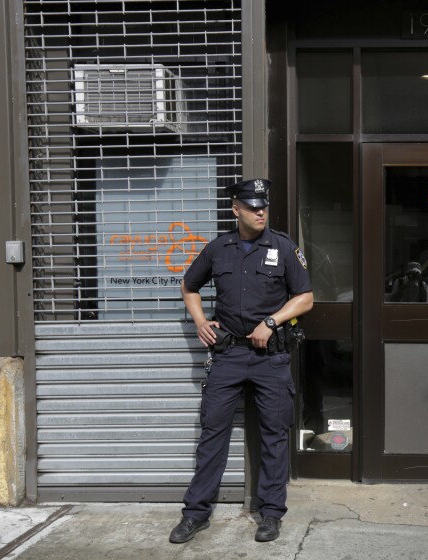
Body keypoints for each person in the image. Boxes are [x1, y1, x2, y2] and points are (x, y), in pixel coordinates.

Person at [169, 178, 313, 545]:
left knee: (274, 437)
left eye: (263, 205)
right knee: (212, 434)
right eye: (252, 206)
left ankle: (271, 514)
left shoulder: (283, 248)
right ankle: (195, 514)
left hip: (271, 359)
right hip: (228, 355)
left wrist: (271, 321)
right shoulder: (219, 249)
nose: (260, 211)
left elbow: (306, 298)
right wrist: (201, 322)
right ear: (236, 210)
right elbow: (189, 287)